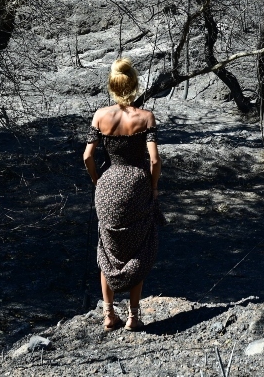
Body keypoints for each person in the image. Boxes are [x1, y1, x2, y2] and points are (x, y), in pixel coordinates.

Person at [83, 58, 162, 331]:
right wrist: (152, 188)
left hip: (107, 185)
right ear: (134, 84)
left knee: (108, 249)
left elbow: (87, 156)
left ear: (112, 86)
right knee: (137, 247)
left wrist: (97, 181)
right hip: (136, 185)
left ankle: (108, 315)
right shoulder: (146, 117)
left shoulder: (100, 116)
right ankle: (133, 316)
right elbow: (154, 161)